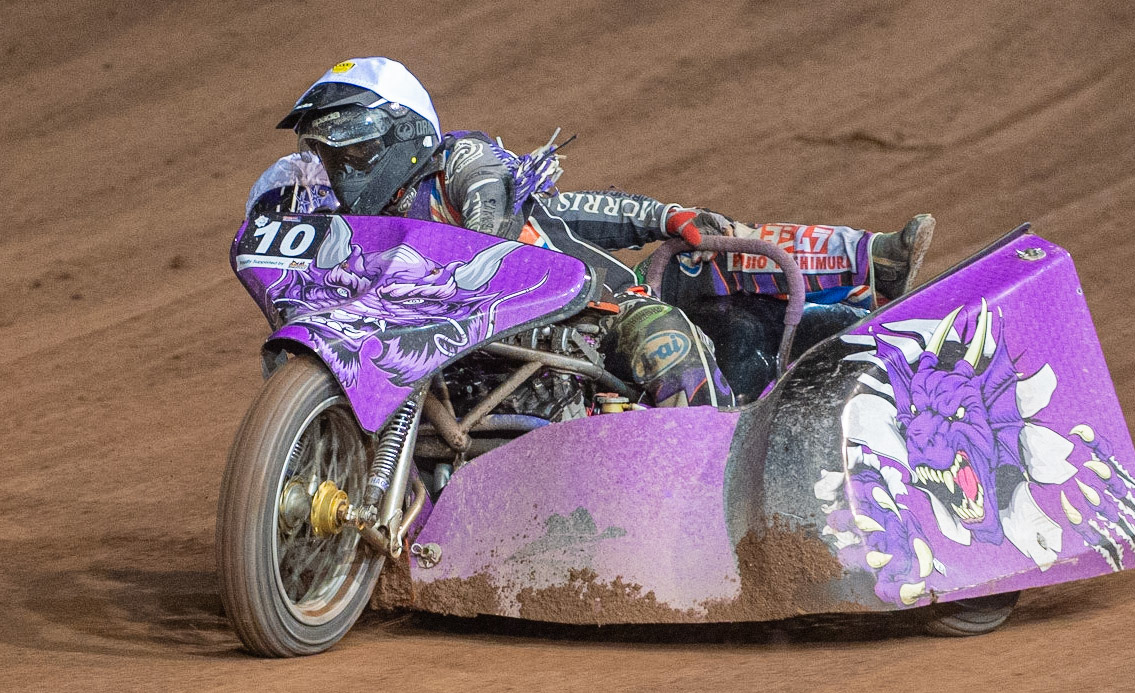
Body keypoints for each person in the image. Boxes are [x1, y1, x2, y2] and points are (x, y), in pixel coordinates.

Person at [249, 57, 934, 408]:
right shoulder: (336, 221)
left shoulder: (460, 165)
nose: (339, 172)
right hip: (438, 360)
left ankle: (869, 271)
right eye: (328, 154)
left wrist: (661, 215)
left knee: (665, 321)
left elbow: (531, 217)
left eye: (352, 151)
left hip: (575, 322)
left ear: (406, 135)